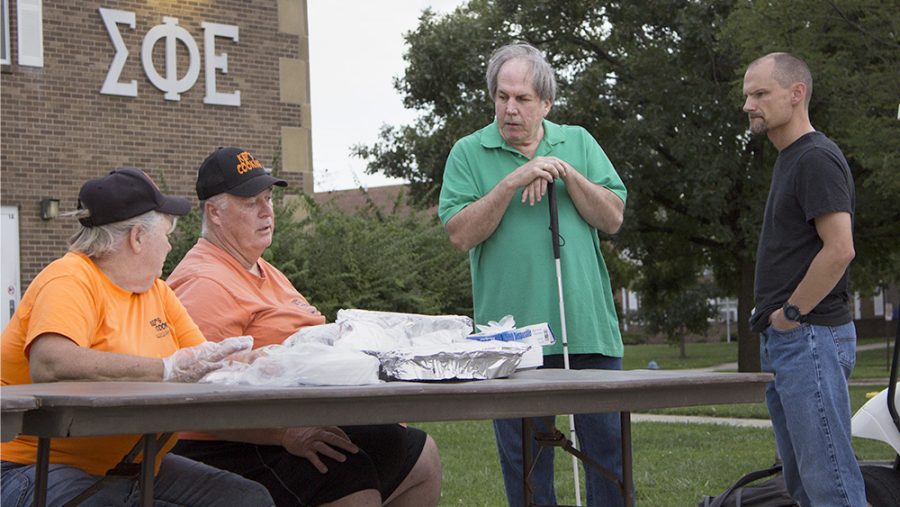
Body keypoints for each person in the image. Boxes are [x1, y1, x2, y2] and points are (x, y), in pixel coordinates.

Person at [166, 147, 443, 507]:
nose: (267, 211)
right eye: (252, 202)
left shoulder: (262, 269)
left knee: (419, 456)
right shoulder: (204, 282)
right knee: (350, 484)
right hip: (235, 442)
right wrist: (283, 432)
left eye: (268, 199)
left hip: (305, 417)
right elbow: (194, 395)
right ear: (215, 212)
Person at [0, 167, 274, 506]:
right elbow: (50, 361)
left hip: (131, 463)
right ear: (137, 238)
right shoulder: (69, 278)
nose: (172, 245)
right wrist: (164, 369)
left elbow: (203, 358)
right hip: (30, 465)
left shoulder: (156, 291)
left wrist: (275, 360)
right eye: (167, 233)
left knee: (247, 499)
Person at [438, 43, 628, 506]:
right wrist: (513, 180)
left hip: (587, 329)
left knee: (610, 462)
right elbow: (461, 234)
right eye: (502, 97)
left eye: (522, 99)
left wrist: (565, 173)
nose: (510, 108)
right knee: (527, 470)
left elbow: (613, 218)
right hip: (510, 342)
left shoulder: (578, 141)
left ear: (546, 103)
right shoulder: (469, 152)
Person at [743, 53, 865, 506]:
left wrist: (790, 315)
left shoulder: (815, 157)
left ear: (796, 95)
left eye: (759, 93)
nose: (748, 105)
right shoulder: (790, 159)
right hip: (790, 342)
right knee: (804, 487)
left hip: (809, 337)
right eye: (746, 96)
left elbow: (840, 248)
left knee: (829, 485)